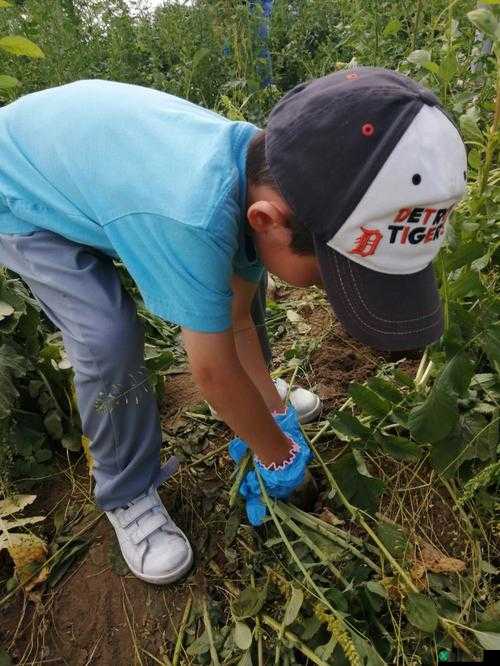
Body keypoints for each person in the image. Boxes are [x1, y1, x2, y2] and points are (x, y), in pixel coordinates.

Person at [0, 67, 466, 585]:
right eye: (328, 275)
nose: (323, 291)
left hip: (94, 167)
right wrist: (277, 454)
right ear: (267, 220)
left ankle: (264, 399)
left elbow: (237, 318)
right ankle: (126, 492)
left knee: (239, 295)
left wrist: (270, 413)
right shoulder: (192, 216)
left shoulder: (267, 174)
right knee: (107, 335)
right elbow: (214, 372)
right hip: (22, 188)